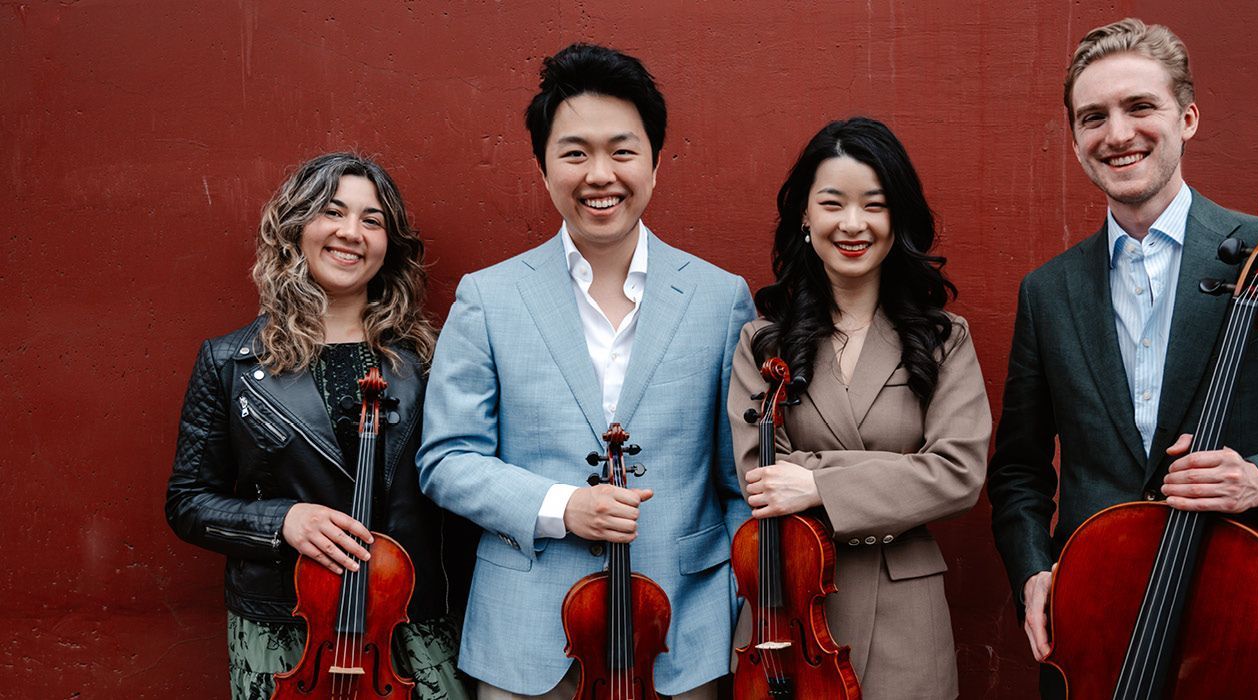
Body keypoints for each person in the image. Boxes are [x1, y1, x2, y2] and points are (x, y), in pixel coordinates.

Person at [985, 18, 1258, 699]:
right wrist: (1033, 570)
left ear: (1187, 118)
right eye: (1093, 117)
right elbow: (1019, 473)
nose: (1117, 133)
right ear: (1076, 139)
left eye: (1139, 107)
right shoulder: (1047, 292)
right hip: (1096, 636)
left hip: (1240, 628)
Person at [416, 44, 753, 699]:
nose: (600, 174)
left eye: (622, 151)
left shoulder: (719, 298)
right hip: (527, 639)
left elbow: (736, 480)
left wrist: (739, 608)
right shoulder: (489, 297)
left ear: (655, 162)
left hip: (682, 636)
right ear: (543, 168)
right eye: (574, 153)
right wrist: (562, 507)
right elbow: (447, 459)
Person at [165, 152, 473, 699]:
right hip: (285, 628)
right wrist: (282, 520)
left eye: (372, 220)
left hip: (411, 623)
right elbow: (188, 502)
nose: (351, 232)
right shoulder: (230, 361)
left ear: (389, 244)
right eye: (332, 212)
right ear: (296, 227)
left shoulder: (431, 362)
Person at [729, 117, 990, 699]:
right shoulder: (762, 343)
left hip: (907, 619)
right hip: (789, 613)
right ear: (805, 216)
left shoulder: (944, 340)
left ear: (897, 218)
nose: (853, 224)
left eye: (874, 205)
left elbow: (958, 473)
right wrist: (901, 473)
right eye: (832, 203)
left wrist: (818, 484)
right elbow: (762, 477)